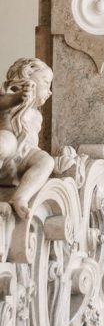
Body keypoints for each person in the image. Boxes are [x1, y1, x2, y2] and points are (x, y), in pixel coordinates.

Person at [0, 57, 55, 219]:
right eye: (46, 83)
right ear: (26, 77)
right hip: (6, 152)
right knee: (5, 142)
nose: (50, 91)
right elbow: (3, 102)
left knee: (46, 161)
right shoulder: (8, 99)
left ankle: (20, 197)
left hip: (22, 158)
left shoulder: (36, 115)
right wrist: (19, 96)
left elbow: (32, 143)